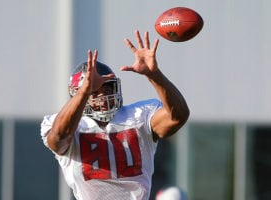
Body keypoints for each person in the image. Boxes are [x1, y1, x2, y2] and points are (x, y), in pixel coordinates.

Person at [40, 30, 189, 200]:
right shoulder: (64, 125)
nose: (102, 96)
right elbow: (59, 138)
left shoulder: (140, 115)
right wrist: (84, 91)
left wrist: (155, 75)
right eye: (94, 91)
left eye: (107, 89)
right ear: (78, 94)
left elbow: (178, 117)